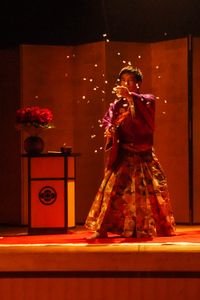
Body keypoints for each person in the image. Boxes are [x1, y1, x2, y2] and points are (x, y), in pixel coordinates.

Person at [85, 66, 176, 239]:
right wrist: (110, 131)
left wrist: (130, 96)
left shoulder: (147, 100)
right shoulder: (116, 105)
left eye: (131, 80)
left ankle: (149, 227)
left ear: (138, 83)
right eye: (123, 81)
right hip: (124, 155)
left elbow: (145, 120)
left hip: (144, 156)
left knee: (149, 193)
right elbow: (108, 121)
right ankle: (103, 227)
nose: (126, 84)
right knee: (113, 191)